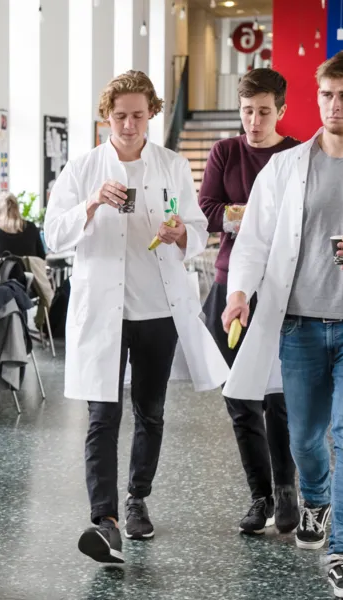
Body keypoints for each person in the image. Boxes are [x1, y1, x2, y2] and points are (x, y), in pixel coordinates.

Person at [44, 70, 227, 565]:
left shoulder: (170, 165)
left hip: (156, 309)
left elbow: (197, 225)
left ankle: (137, 499)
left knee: (150, 411)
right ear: (107, 116)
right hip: (102, 311)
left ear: (152, 115)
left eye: (138, 115)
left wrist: (180, 234)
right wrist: (90, 204)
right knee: (102, 415)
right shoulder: (83, 168)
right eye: (120, 115)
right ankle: (104, 520)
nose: (129, 125)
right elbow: (51, 237)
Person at [222, 51, 343, 597]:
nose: (335, 106)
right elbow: (254, 241)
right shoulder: (288, 167)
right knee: (306, 438)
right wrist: (239, 294)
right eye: (327, 95)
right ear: (315, 99)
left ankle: (340, 549)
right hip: (297, 323)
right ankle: (315, 500)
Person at [198, 68, 300, 536]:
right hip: (229, 284)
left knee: (278, 398)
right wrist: (251, 215)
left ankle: (286, 491)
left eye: (262, 112)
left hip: (282, 290)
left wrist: (241, 216)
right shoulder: (225, 152)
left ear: (280, 110)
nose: (253, 121)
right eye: (246, 112)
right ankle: (258, 494)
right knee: (239, 397)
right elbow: (208, 210)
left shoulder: (296, 157)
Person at [0, 192, 46, 259]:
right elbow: (42, 258)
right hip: (28, 269)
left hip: (0, 269)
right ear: (17, 208)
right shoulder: (31, 228)